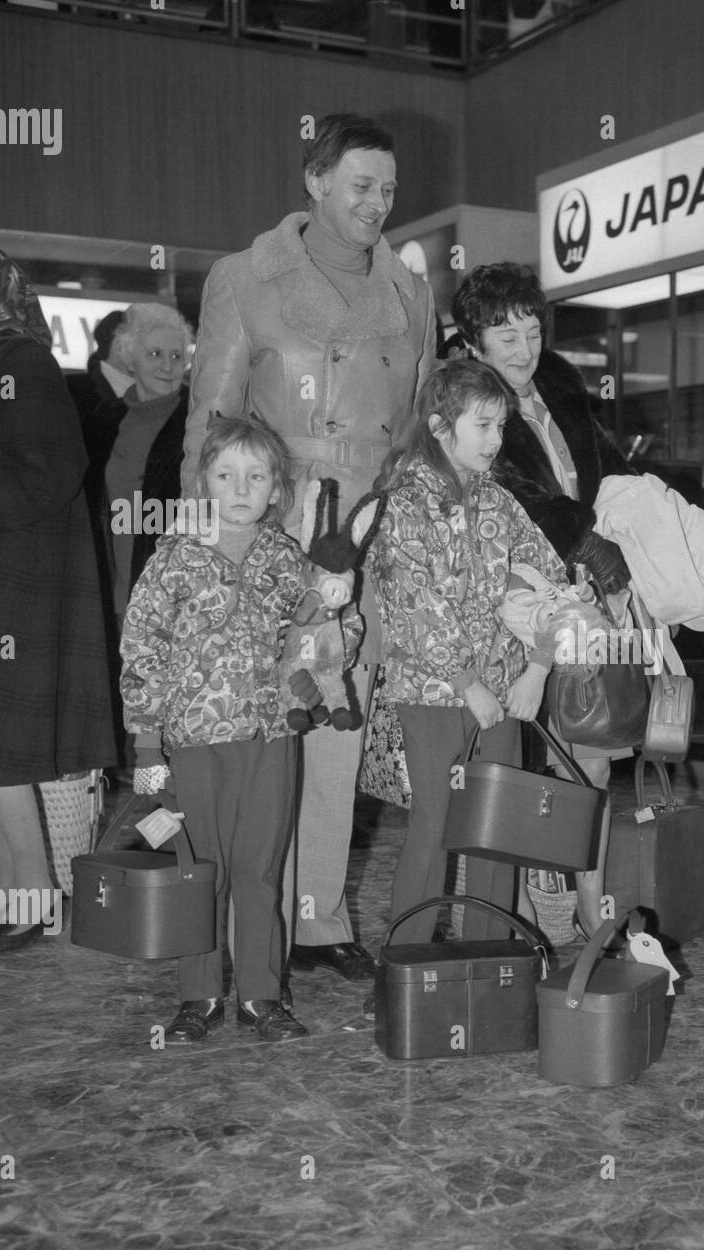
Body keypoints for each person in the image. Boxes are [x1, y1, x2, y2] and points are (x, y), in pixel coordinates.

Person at [181, 112, 436, 990]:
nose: (377, 203)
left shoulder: (409, 291)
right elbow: (208, 423)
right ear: (316, 181)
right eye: (361, 185)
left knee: (339, 723)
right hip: (268, 525)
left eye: (389, 189)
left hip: (365, 534)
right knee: (262, 725)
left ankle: (318, 916)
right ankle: (247, 922)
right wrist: (201, 550)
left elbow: (419, 427)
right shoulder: (244, 279)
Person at [121, 416, 338, 1043]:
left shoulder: (289, 560)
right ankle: (199, 997)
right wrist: (146, 741)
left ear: (276, 489)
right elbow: (142, 652)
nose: (241, 488)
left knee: (260, 872)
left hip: (270, 739)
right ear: (203, 483)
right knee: (199, 872)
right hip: (192, 745)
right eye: (226, 475)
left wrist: (326, 650)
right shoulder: (173, 562)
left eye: (256, 476)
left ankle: (262, 996)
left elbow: (319, 636)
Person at [363, 360, 566, 1002]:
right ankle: (406, 965)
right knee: (433, 825)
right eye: (483, 425)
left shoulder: (500, 503)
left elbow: (550, 583)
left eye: (501, 425)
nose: (496, 439)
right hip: (431, 697)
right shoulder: (404, 504)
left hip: (505, 693)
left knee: (494, 830)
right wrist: (466, 681)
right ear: (440, 426)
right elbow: (413, 607)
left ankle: (487, 965)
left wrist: (536, 667)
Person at [450, 262, 635, 936]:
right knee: (519, 764)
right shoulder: (468, 402)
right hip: (518, 601)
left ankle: (591, 911)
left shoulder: (557, 379)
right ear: (473, 341)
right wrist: (582, 539)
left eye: (532, 329)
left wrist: (641, 507)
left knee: (589, 753)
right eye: (505, 336)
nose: (524, 349)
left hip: (585, 597)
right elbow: (508, 492)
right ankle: (525, 916)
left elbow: (600, 459)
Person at [0, 241, 117, 952]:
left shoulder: (19, 362)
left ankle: (31, 896)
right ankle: (9, 890)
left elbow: (50, 473)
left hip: (17, 583)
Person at [77, 303, 193, 627]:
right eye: (155, 354)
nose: (168, 366)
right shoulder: (103, 422)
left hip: (172, 591)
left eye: (176, 356)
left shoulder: (198, 424)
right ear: (131, 358)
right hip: (109, 584)